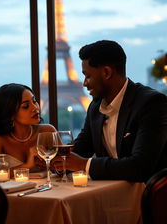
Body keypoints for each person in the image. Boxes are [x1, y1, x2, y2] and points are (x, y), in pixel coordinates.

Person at [56, 40, 167, 182]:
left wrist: (83, 164)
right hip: (111, 193)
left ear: (107, 72)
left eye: (88, 76)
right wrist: (57, 161)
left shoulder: (151, 104)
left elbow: (140, 166)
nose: (84, 83)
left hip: (149, 197)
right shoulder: (95, 107)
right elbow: (81, 149)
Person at [0, 83, 56, 180]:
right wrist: (27, 165)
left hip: (49, 192)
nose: (35, 108)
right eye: (26, 106)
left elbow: (65, 166)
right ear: (10, 113)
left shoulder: (48, 131)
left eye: (34, 101)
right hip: (10, 194)